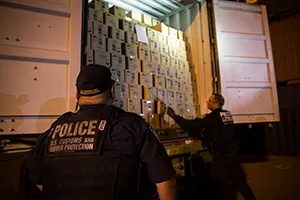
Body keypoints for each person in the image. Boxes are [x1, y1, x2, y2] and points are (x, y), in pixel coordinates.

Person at [30, 64, 178, 200]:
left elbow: (39, 181)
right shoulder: (131, 126)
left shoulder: (52, 131)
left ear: (77, 95)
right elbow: (166, 182)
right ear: (112, 91)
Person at [167, 93, 256, 200]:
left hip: (221, 158)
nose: (207, 102)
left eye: (209, 100)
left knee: (217, 185)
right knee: (241, 183)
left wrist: (175, 117)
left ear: (216, 103)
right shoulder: (226, 114)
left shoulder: (212, 117)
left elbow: (192, 125)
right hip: (233, 155)